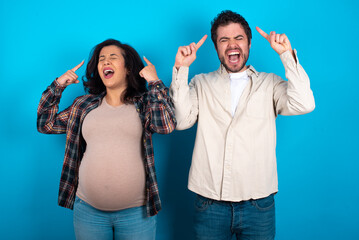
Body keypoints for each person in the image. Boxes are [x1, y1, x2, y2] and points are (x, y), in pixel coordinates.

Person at [170, 10, 315, 240]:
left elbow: (304, 104)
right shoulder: (200, 83)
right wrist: (181, 69)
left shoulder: (270, 84)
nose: (231, 45)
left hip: (259, 206)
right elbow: (180, 121)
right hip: (210, 205)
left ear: (248, 43)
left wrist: (286, 55)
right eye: (223, 40)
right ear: (217, 47)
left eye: (238, 38)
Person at [37, 39, 176, 240]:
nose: (105, 62)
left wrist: (155, 82)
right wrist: (58, 86)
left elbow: (166, 125)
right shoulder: (83, 105)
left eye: (112, 57)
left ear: (128, 68)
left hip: (136, 214)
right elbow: (45, 124)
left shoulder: (144, 103)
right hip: (88, 212)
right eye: (101, 59)